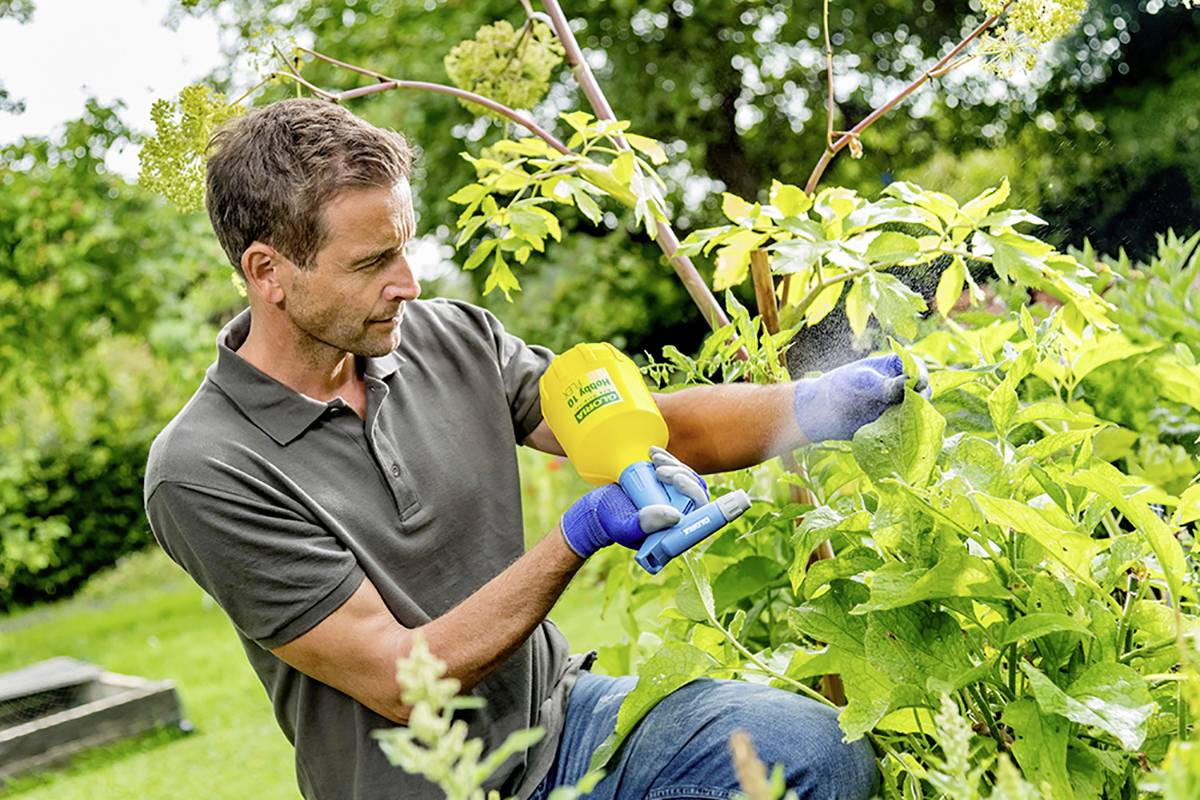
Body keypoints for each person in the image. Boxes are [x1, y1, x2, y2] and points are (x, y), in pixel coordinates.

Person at [145, 99, 912, 800]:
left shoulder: (449, 338)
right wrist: (576, 537)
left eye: (404, 248)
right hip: (435, 784)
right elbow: (406, 680)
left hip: (567, 722)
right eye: (373, 263)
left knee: (813, 753)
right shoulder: (205, 470)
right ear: (267, 272)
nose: (408, 284)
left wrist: (814, 403)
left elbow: (639, 427)